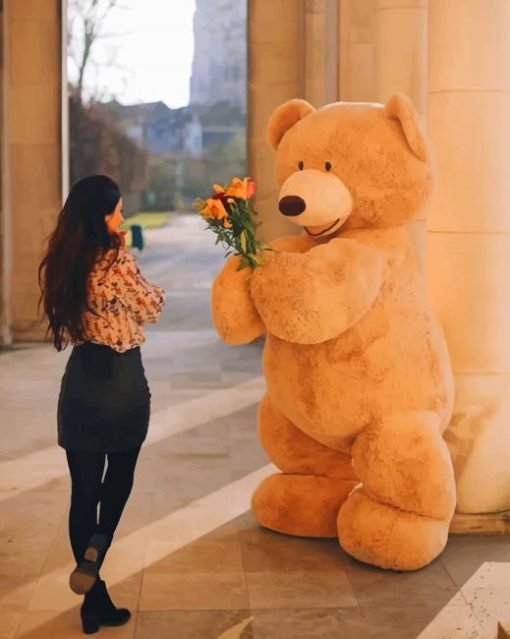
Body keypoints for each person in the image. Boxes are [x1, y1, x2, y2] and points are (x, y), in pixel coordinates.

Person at [38, 175, 165, 635]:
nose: (124, 218)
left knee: (83, 492)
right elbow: (152, 306)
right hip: (122, 383)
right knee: (121, 477)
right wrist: (131, 263)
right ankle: (99, 547)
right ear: (104, 216)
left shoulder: (64, 261)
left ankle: (94, 602)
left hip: (80, 386)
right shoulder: (117, 262)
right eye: (119, 212)